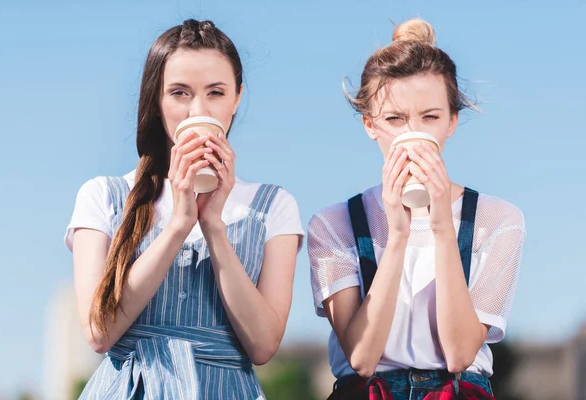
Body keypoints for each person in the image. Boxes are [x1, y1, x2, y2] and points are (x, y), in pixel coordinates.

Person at [64, 19, 303, 399]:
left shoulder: (273, 207)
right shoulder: (104, 196)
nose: (198, 110)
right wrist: (179, 223)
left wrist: (213, 226)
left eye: (216, 93)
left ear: (237, 98)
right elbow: (98, 332)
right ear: (156, 101)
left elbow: (263, 345)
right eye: (179, 93)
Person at [307, 18, 525, 399]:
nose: (411, 133)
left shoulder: (497, 220)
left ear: (452, 122)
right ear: (369, 125)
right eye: (394, 119)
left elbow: (459, 355)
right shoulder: (334, 224)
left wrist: (442, 228)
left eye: (430, 117)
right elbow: (361, 358)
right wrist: (398, 236)